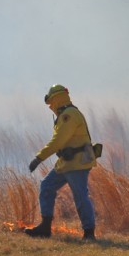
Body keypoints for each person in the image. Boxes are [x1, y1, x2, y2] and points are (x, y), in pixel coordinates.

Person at [25, 84, 98, 241]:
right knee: (46, 186)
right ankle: (45, 228)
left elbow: (58, 141)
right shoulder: (65, 114)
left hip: (77, 164)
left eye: (51, 101)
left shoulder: (69, 115)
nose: (50, 106)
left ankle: (89, 233)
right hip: (66, 164)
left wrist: (38, 158)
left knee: (80, 196)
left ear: (57, 99)